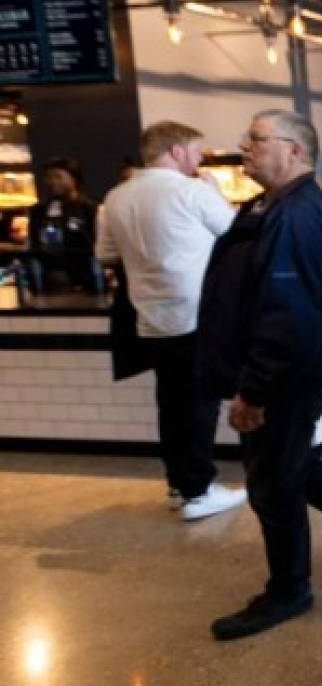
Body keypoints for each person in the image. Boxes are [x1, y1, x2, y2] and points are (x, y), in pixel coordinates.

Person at [198, 109, 322, 641]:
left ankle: (289, 589)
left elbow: (288, 313)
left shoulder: (298, 215)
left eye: (257, 139)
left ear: (296, 151)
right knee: (283, 464)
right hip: (280, 371)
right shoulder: (273, 205)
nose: (244, 145)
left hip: (284, 376)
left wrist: (255, 389)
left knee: (272, 484)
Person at [95, 122, 244, 521]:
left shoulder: (116, 197)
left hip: (148, 315)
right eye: (196, 151)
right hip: (196, 312)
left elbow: (106, 255)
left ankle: (179, 484)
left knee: (170, 402)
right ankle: (198, 490)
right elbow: (237, 236)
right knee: (200, 401)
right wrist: (214, 193)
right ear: (176, 151)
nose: (199, 160)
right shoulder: (193, 191)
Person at [27, 157, 100, 292]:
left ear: (73, 179)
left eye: (58, 176)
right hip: (48, 281)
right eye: (49, 177)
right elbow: (34, 245)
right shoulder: (39, 211)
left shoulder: (89, 209)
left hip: (85, 281)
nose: (52, 182)